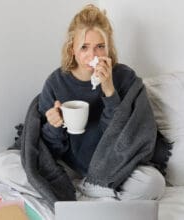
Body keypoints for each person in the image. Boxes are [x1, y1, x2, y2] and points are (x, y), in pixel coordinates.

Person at [37, 4, 166, 201]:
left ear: (109, 47)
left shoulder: (124, 77)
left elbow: (125, 137)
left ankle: (92, 188)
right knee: (7, 165)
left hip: (113, 167)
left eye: (100, 46)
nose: (93, 55)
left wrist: (109, 90)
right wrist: (54, 126)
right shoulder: (56, 82)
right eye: (84, 47)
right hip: (70, 166)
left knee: (154, 183)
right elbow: (50, 149)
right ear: (72, 49)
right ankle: (92, 189)